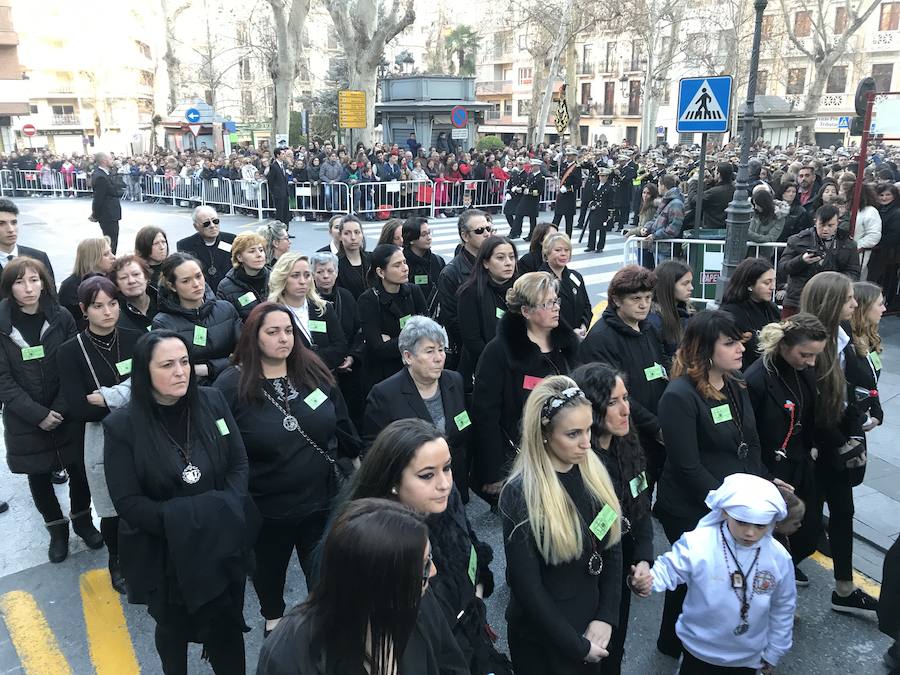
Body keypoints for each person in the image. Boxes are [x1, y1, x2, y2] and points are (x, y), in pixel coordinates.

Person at [104, 330, 257, 675]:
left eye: (185, 361)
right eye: (168, 364)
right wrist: (189, 523)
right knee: (173, 629)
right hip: (167, 554)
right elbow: (128, 502)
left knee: (227, 625)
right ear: (145, 372)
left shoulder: (213, 401)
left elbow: (238, 464)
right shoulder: (122, 426)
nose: (181, 372)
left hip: (220, 544)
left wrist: (224, 510)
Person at [214, 302, 358, 636]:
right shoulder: (230, 387)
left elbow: (340, 422)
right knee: (269, 576)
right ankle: (274, 623)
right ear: (253, 337)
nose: (284, 338)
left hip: (321, 501)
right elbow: (223, 451)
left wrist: (357, 463)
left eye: (289, 331)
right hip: (267, 511)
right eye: (273, 332)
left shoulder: (312, 371)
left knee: (325, 582)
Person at [345, 419, 509, 674]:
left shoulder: (447, 500)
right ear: (393, 480)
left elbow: (470, 544)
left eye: (447, 468)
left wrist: (474, 601)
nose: (444, 484)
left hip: (472, 638)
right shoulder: (375, 547)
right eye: (427, 475)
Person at [653, 309, 769, 657]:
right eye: (730, 343)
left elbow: (752, 440)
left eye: (740, 342)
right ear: (705, 349)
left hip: (731, 503)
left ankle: (687, 639)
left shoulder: (735, 383)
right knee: (694, 576)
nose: (741, 350)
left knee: (704, 580)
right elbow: (688, 467)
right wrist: (732, 506)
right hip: (692, 506)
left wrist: (761, 488)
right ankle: (675, 643)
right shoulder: (678, 396)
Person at [256, 498, 468, 675]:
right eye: (422, 566)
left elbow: (450, 664)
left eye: (428, 558)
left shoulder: (415, 597)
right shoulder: (291, 652)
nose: (433, 572)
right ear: (373, 582)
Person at [499, 375, 622, 674]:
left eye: (589, 429)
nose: (586, 443)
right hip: (545, 643)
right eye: (573, 434)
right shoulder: (520, 494)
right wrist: (577, 646)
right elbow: (528, 589)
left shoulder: (593, 471)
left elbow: (612, 550)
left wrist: (605, 617)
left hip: (590, 628)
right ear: (544, 434)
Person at [630, 473, 796, 675]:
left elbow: (784, 607)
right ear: (725, 512)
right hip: (698, 652)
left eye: (760, 526)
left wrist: (774, 652)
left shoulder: (778, 558)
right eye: (742, 522)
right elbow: (670, 567)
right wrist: (647, 580)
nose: (750, 533)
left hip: (748, 658)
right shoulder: (700, 542)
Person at [0, 257, 100, 562]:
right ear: (9, 287)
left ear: (44, 282)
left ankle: (82, 520)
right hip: (24, 418)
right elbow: (3, 380)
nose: (28, 288)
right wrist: (37, 414)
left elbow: (74, 367)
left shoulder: (61, 317)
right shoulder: (2, 325)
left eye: (34, 280)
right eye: (20, 282)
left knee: (79, 470)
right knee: (38, 474)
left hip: (66, 410)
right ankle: (57, 530)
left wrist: (59, 407)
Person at [799, 272, 878, 616]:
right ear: (831, 303)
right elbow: (812, 406)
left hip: (840, 444)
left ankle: (844, 590)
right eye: (848, 298)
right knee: (809, 525)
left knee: (844, 513)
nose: (855, 303)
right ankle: (772, 584)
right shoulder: (809, 346)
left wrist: (855, 434)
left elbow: (844, 398)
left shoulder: (844, 338)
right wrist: (840, 442)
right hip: (815, 450)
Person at [57, 276, 143, 592]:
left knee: (147, 495)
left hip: (141, 432)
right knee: (111, 507)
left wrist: (105, 396)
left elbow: (150, 389)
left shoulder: (136, 338)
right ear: (84, 309)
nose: (107, 312)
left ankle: (147, 553)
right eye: (98, 306)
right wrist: (129, 393)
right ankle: (117, 560)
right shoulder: (70, 352)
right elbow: (80, 409)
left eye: (112, 303)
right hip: (100, 439)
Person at [570, 363, 653, 675]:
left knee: (613, 654)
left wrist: (644, 561)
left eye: (626, 398)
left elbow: (641, 507)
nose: (625, 410)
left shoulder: (628, 445)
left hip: (621, 569)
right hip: (588, 579)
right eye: (614, 402)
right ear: (590, 410)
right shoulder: (578, 462)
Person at [472, 272, 580, 498]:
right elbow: (486, 414)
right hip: (522, 455)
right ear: (526, 311)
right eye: (548, 303)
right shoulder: (499, 351)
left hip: (566, 448)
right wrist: (494, 471)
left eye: (556, 300)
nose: (556, 307)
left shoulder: (566, 343)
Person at [745, 314, 828, 584]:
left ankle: (781, 577)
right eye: (805, 355)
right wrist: (764, 474)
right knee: (770, 537)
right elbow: (749, 434)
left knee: (811, 528)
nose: (811, 362)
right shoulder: (757, 379)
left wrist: (813, 444)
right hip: (772, 469)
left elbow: (810, 411)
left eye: (815, 356)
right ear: (783, 345)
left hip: (801, 462)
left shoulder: (802, 371)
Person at [579, 265, 668, 486]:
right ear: (617, 300)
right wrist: (655, 426)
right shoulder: (601, 339)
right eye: (636, 298)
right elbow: (609, 395)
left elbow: (661, 369)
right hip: (626, 433)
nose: (644, 304)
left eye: (648, 297)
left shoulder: (648, 329)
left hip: (655, 427)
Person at [364, 317, 471, 490]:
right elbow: (374, 450)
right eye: (429, 351)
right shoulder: (384, 394)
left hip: (454, 485)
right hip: (411, 491)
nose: (438, 358)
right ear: (408, 357)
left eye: (441, 349)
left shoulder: (454, 381)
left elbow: (464, 431)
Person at [152, 252, 241, 385]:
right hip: (193, 393)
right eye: (186, 281)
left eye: (198, 276)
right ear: (172, 286)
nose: (196, 284)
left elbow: (246, 354)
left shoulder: (226, 309)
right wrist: (228, 362)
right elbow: (174, 371)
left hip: (234, 385)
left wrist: (207, 368)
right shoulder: (163, 323)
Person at [357, 244, 427, 392]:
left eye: (404, 262)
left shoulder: (414, 291)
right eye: (397, 265)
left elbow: (426, 333)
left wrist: (393, 340)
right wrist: (413, 338)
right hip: (383, 376)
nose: (405, 268)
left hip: (414, 370)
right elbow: (378, 349)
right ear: (381, 272)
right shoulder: (368, 300)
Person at [269, 252, 347, 371]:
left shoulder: (323, 308)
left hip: (325, 380)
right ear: (282, 278)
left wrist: (308, 359)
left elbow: (340, 348)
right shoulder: (271, 314)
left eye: (307, 275)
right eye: (295, 275)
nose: (302, 281)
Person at [435, 210, 494, 368]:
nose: (487, 234)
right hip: (469, 352)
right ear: (465, 236)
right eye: (480, 231)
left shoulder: (497, 263)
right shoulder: (450, 273)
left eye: (489, 229)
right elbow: (452, 320)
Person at [778, 204, 860, 318]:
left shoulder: (848, 244)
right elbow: (783, 268)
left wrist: (833, 282)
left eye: (830, 225)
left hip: (830, 299)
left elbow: (854, 273)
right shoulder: (797, 240)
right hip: (798, 299)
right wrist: (802, 260)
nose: (825, 229)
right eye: (822, 225)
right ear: (815, 221)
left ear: (838, 223)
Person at [456, 235, 517, 387]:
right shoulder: (470, 292)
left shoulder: (521, 289)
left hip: (517, 366)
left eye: (512, 257)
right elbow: (472, 340)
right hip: (485, 367)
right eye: (500, 258)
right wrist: (500, 361)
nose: (508, 263)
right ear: (485, 263)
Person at [720, 257, 781, 370]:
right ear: (749, 285)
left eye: (774, 281)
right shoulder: (731, 313)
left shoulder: (772, 308)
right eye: (767, 282)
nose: (773, 287)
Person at [848, 281, 886, 432]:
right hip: (850, 421)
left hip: (862, 418)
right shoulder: (847, 342)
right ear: (864, 307)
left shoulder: (870, 337)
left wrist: (877, 411)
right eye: (880, 304)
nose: (884, 309)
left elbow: (872, 382)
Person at [539, 233, 591, 338]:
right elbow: (541, 315)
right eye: (558, 250)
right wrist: (569, 333)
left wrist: (584, 326)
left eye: (567, 250)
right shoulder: (540, 280)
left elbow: (586, 305)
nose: (563, 254)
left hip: (578, 338)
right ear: (547, 253)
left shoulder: (576, 276)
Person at [58, 237, 116, 330]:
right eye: (106, 254)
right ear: (93, 259)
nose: (113, 257)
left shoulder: (112, 277)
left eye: (111, 252)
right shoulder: (71, 287)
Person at [176, 206, 237, 293]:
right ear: (196, 226)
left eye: (215, 221)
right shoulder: (185, 245)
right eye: (206, 223)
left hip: (229, 291)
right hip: (201, 292)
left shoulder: (231, 239)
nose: (212, 226)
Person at [648, 259, 694, 366]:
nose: (691, 288)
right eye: (685, 284)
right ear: (668, 286)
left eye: (690, 282)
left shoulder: (686, 312)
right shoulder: (654, 321)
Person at [216, 231, 270, 321]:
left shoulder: (275, 278)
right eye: (252, 251)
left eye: (261, 250)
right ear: (239, 257)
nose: (259, 255)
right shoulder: (225, 287)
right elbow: (227, 322)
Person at [0, 197, 55, 283]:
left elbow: (50, 294)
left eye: (14, 223)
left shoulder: (39, 257)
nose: (11, 229)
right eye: (1, 224)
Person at [403, 216, 446, 307]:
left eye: (429, 233)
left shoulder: (437, 261)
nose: (429, 237)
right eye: (424, 235)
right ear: (411, 239)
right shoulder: (402, 262)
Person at [110, 254, 157, 332]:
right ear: (117, 285)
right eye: (124, 277)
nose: (131, 281)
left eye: (136, 274)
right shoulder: (115, 317)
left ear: (146, 277)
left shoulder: (166, 303)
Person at [89, 152, 123, 252]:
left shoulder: (105, 173)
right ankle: (110, 263)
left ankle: (110, 261)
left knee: (113, 240)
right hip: (107, 214)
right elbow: (98, 198)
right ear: (104, 161)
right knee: (111, 241)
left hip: (111, 213)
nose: (112, 161)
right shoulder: (100, 176)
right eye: (110, 159)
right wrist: (95, 214)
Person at [335, 215, 371, 300]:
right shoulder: (336, 263)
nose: (353, 237)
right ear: (340, 236)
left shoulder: (371, 258)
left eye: (357, 232)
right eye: (347, 233)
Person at [583, 166, 616, 254]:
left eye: (603, 176)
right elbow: (590, 198)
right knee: (592, 228)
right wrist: (591, 204)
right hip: (595, 210)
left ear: (607, 177)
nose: (601, 178)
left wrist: (610, 213)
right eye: (600, 176)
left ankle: (600, 247)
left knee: (602, 229)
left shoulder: (609, 188)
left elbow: (611, 201)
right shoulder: (594, 186)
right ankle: (591, 245)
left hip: (603, 211)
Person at [511, 160, 545, 240]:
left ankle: (532, 235)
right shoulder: (530, 175)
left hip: (533, 200)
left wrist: (529, 192)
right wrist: (520, 188)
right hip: (525, 199)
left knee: (532, 219)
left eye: (533, 166)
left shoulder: (541, 177)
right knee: (518, 214)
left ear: (537, 166)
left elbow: (540, 191)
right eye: (531, 166)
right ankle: (514, 233)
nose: (531, 168)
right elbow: (526, 185)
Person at [134, 225, 169, 300]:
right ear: (144, 246)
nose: (162, 247)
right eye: (156, 243)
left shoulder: (172, 266)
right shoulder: (137, 272)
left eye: (163, 242)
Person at [552, 149, 581, 237]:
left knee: (569, 221)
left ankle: (568, 239)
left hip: (569, 197)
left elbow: (578, 183)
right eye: (567, 155)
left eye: (570, 155)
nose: (567, 157)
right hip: (561, 196)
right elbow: (552, 168)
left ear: (574, 157)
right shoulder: (564, 165)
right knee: (556, 219)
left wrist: (568, 188)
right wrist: (555, 159)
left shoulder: (577, 167)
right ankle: (552, 236)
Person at [268, 147, 292, 227]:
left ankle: (286, 230)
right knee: (280, 213)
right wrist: (273, 192)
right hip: (278, 193)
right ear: (277, 155)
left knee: (286, 213)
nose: (284, 155)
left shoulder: (284, 165)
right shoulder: (273, 166)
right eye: (282, 154)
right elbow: (270, 180)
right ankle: (278, 231)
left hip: (285, 192)